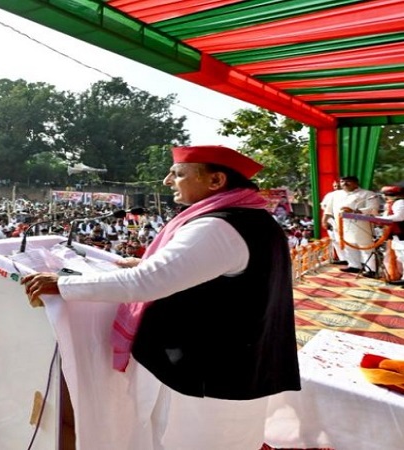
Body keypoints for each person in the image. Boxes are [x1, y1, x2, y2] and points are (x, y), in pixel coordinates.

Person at [21, 145, 300, 449]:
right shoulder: (251, 218)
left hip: (209, 372)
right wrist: (147, 264)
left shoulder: (218, 225)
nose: (168, 180)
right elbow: (214, 273)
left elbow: (147, 282)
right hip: (234, 363)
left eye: (178, 173)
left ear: (216, 181)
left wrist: (63, 285)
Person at [323, 175, 380, 277]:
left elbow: (373, 208)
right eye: (342, 182)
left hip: (361, 226)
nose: (344, 184)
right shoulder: (335, 194)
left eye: (348, 182)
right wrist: (325, 220)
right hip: (341, 225)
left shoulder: (367, 194)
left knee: (365, 246)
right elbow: (328, 209)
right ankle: (354, 265)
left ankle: (371, 269)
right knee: (348, 246)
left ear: (356, 183)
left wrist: (355, 211)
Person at [380, 185, 404, 285]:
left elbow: (399, 217)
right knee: (400, 257)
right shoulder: (390, 204)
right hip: (395, 234)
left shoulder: (400, 202)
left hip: (402, 232)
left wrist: (380, 219)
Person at [320, 180, 346, 264]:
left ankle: (351, 261)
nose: (337, 187)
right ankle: (342, 259)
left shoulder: (346, 195)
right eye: (335, 186)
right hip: (331, 220)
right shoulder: (330, 195)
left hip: (344, 221)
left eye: (338, 186)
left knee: (344, 240)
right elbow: (324, 206)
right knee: (335, 240)